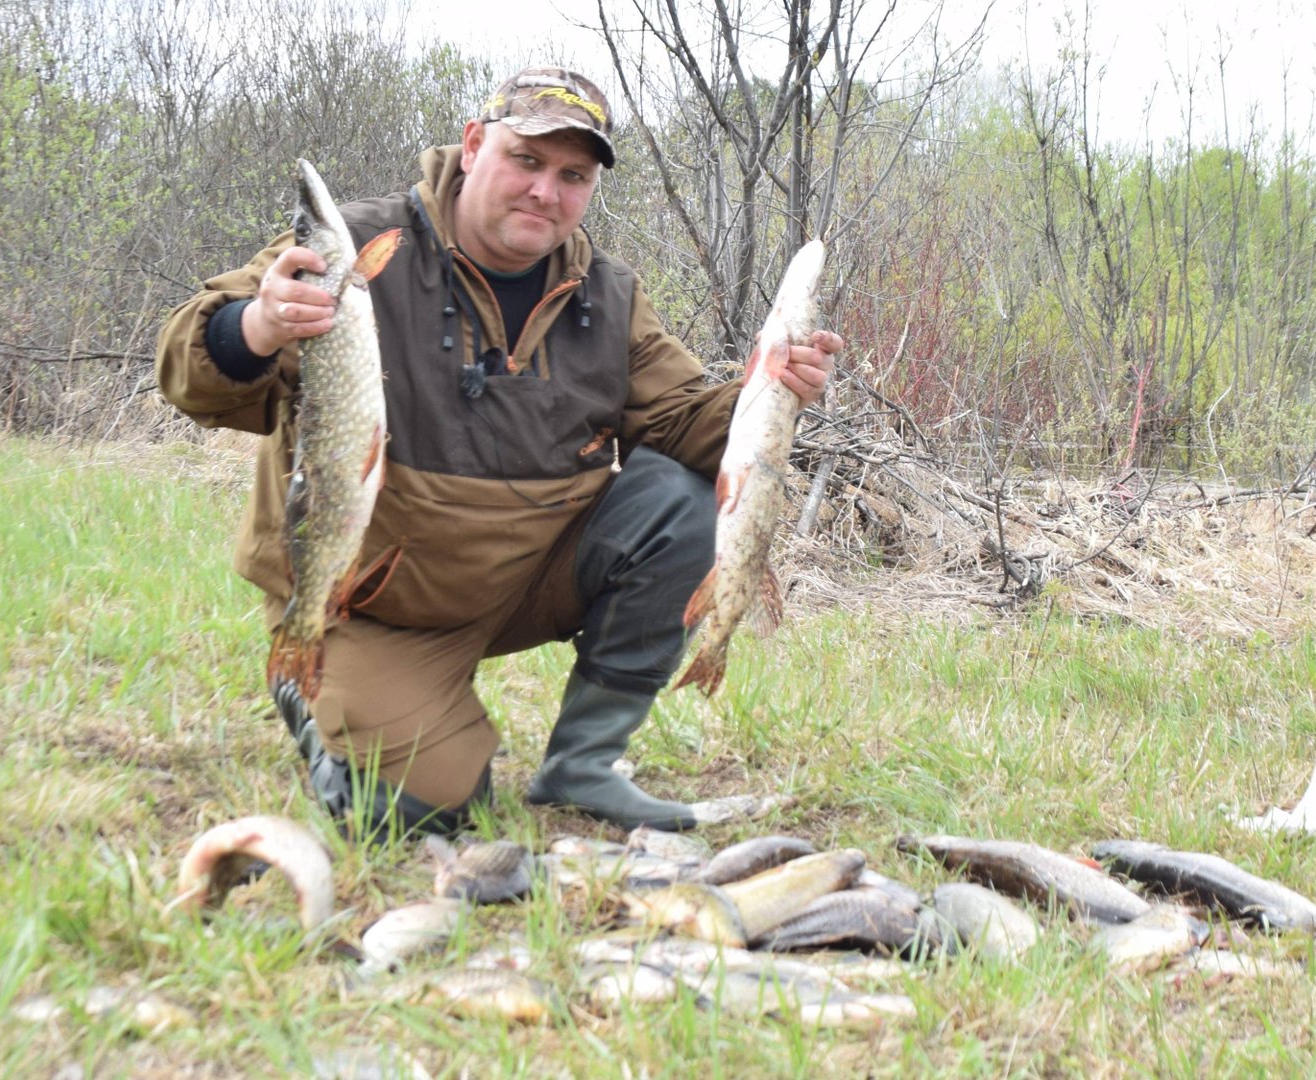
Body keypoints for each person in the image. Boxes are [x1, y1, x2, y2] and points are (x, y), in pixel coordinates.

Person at [156, 67, 839, 835]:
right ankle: (313, 688)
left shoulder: (607, 296)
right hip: (373, 597)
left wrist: (769, 391)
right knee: (418, 815)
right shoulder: (353, 250)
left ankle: (583, 767)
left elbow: (685, 424)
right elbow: (188, 370)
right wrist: (258, 325)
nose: (545, 192)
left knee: (680, 503)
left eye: (572, 175)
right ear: (475, 145)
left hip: (524, 583)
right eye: (527, 160)